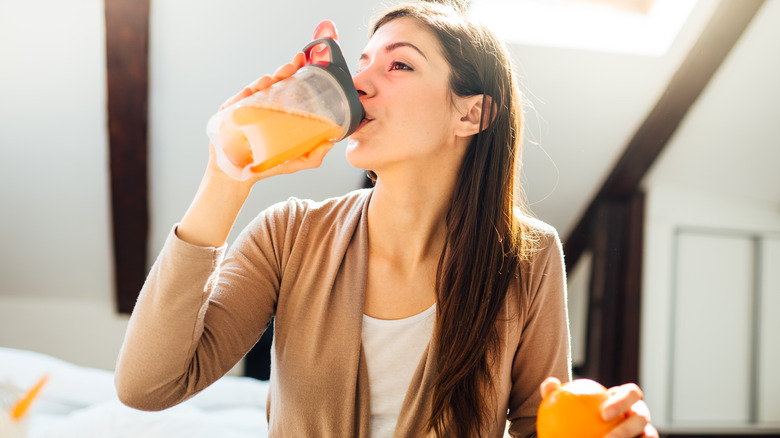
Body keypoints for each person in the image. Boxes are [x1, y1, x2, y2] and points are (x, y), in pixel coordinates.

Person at [115, 1, 658, 437]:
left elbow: (539, 424)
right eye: (363, 63)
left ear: (472, 113)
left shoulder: (528, 256)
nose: (360, 83)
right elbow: (146, 386)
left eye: (398, 64)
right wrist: (227, 176)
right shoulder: (288, 235)